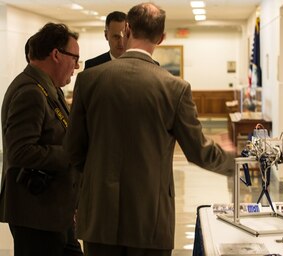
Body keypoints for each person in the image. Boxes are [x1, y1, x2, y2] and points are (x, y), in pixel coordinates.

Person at [65, 3, 235, 256]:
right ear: (162, 38)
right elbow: (198, 151)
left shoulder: (89, 79)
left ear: (127, 29)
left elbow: (73, 150)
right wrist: (234, 160)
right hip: (150, 220)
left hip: (99, 217)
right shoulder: (174, 88)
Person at [0, 23, 83, 256]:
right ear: (56, 54)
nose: (76, 66)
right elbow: (21, 151)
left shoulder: (49, 88)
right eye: (75, 58)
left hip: (54, 211)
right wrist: (71, 154)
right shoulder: (30, 92)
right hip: (36, 214)